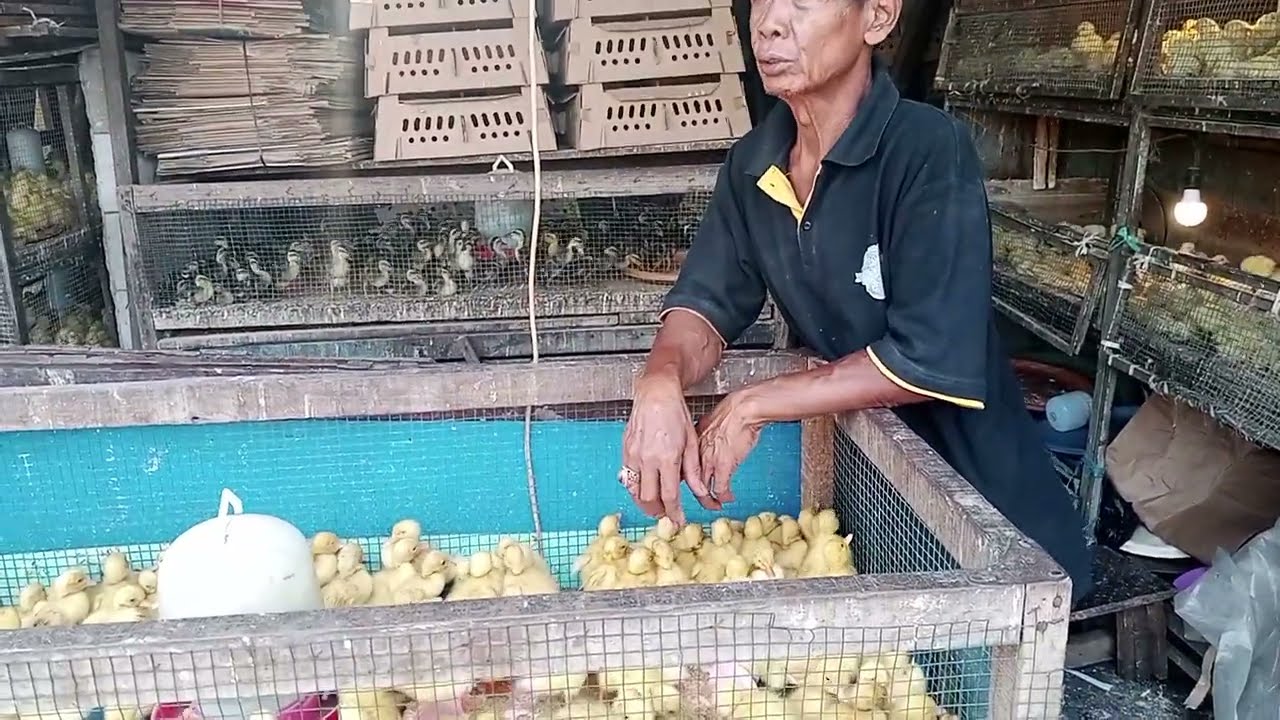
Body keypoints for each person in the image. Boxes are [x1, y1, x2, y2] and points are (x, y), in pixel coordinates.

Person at [618, 0, 1094, 600]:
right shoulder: (753, 164)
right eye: (762, 0)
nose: (768, 22)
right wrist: (658, 383)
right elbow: (706, 305)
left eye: (801, 2)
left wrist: (753, 404)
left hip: (982, 514)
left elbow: (929, 355)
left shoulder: (925, 150)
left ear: (877, 18)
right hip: (870, 494)